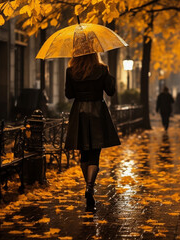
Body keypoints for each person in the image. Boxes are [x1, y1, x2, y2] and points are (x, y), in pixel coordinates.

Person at [64, 53, 121, 212]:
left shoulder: (71, 71)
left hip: (80, 113)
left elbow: (69, 94)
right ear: (95, 54)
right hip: (97, 112)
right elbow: (110, 91)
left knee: (84, 154)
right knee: (95, 154)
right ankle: (90, 187)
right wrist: (109, 76)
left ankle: (88, 186)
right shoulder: (102, 69)